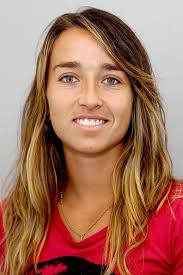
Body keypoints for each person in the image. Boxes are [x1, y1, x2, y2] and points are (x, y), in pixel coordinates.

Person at [0, 6, 183, 275]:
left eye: (111, 80)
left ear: (135, 101)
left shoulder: (177, 216)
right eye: (69, 78)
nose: (90, 99)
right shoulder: (9, 221)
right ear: (45, 98)